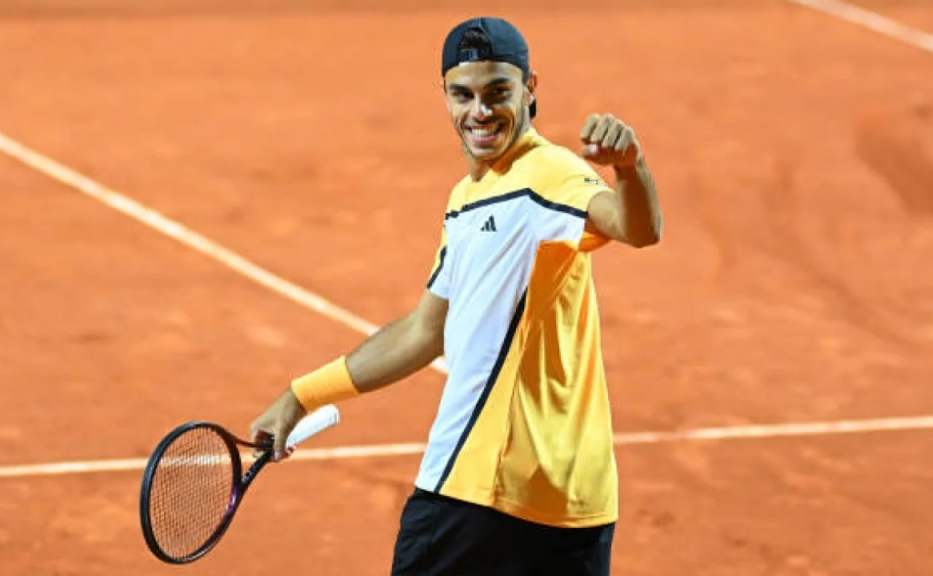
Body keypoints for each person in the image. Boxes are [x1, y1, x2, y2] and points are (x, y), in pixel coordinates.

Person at [250, 15, 662, 576]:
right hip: (574, 500)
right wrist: (302, 395)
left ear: (530, 89)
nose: (480, 111)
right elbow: (425, 331)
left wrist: (630, 170)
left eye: (498, 92)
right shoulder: (465, 201)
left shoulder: (548, 174)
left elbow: (637, 228)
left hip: (477, 489)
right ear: (445, 97)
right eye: (463, 95)